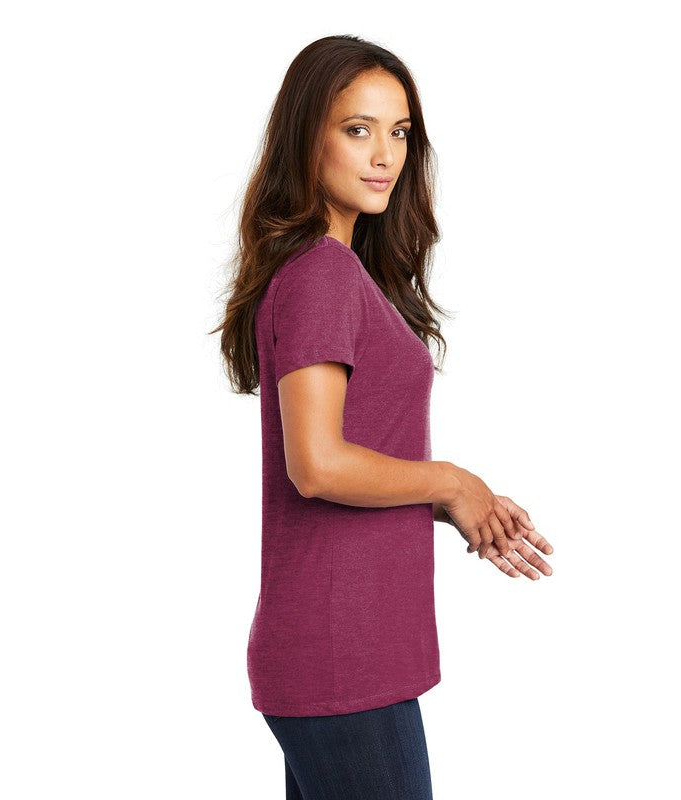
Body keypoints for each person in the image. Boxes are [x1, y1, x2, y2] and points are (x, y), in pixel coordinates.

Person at [211, 34, 555, 800]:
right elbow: (317, 465)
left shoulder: (335, 271)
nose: (384, 156)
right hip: (343, 654)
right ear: (308, 137)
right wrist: (451, 480)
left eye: (398, 132)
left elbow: (350, 455)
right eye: (357, 129)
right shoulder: (323, 275)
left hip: (349, 651)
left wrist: (456, 502)